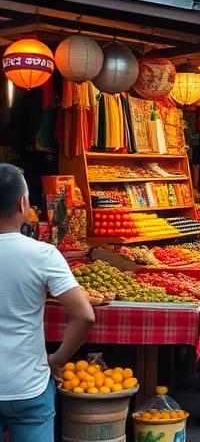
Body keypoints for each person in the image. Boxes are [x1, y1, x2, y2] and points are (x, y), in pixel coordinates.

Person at [0, 164, 95, 442]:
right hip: (28, 385)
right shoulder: (44, 255)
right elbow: (84, 316)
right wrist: (57, 359)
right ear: (22, 203)